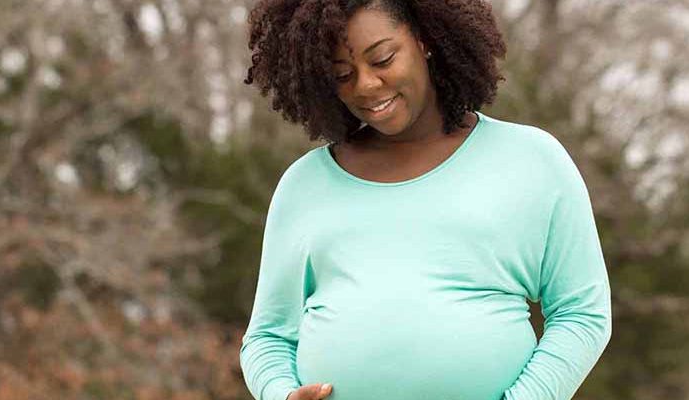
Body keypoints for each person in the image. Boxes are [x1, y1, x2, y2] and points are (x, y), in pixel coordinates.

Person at [237, 1, 613, 400]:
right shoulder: (305, 184)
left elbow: (581, 314)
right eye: (343, 75)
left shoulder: (533, 159)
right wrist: (280, 394)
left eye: (382, 59)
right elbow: (267, 336)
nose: (365, 85)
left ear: (425, 40)